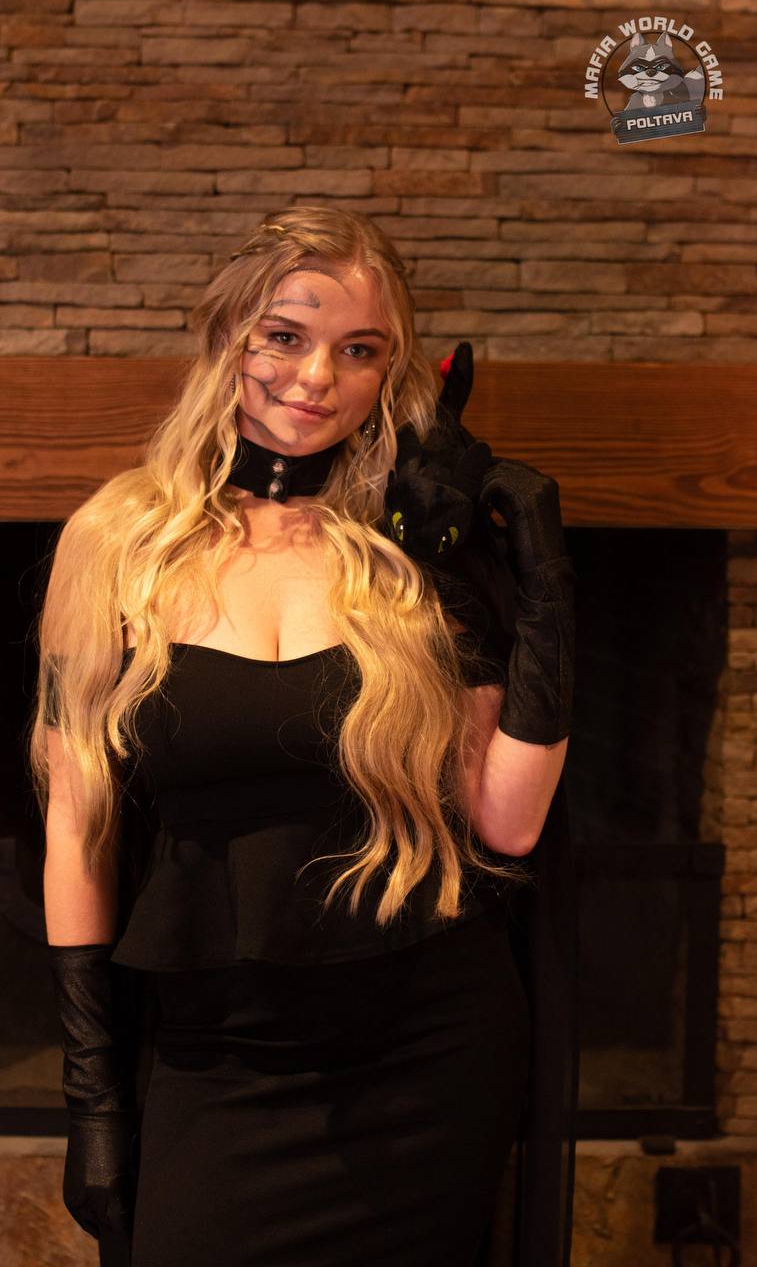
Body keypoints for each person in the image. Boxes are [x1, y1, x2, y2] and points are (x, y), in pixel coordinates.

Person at [29, 204, 578, 1267]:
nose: (316, 377)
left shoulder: (416, 553)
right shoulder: (115, 543)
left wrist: (545, 584)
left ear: (390, 372)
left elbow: (506, 823)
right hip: (217, 1055)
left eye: (359, 350)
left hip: (429, 1047)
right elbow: (75, 827)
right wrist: (91, 1096)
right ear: (226, 336)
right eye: (283, 336)